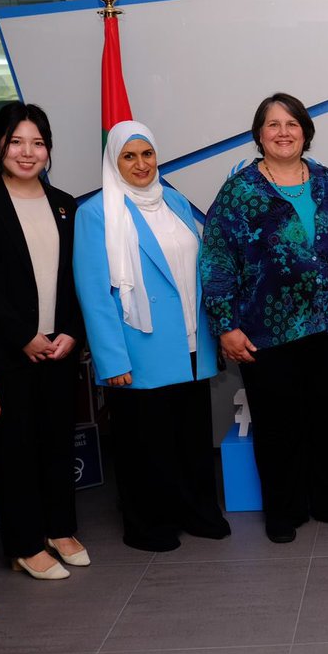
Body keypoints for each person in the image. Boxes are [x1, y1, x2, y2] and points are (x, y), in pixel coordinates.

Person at [201, 93, 328, 544]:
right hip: (268, 330)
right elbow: (217, 261)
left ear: (305, 132)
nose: (283, 132)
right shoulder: (239, 192)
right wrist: (225, 325)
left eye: (292, 124)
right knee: (278, 426)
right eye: (273, 124)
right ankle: (284, 510)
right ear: (259, 135)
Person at [73, 120, 230, 552]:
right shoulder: (96, 214)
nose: (141, 164)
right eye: (129, 156)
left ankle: (197, 512)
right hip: (138, 349)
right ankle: (148, 525)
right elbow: (94, 293)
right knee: (146, 444)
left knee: (191, 437)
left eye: (147, 154)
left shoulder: (174, 201)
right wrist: (111, 360)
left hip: (190, 343)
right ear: (114, 161)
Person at [0, 103, 86, 580]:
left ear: (48, 150)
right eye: (16, 142)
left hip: (60, 346)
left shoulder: (66, 205)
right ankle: (25, 543)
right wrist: (22, 336)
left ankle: (60, 528)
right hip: (8, 350)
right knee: (15, 448)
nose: (27, 152)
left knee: (58, 440)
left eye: (37, 143)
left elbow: (80, 277)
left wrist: (71, 330)